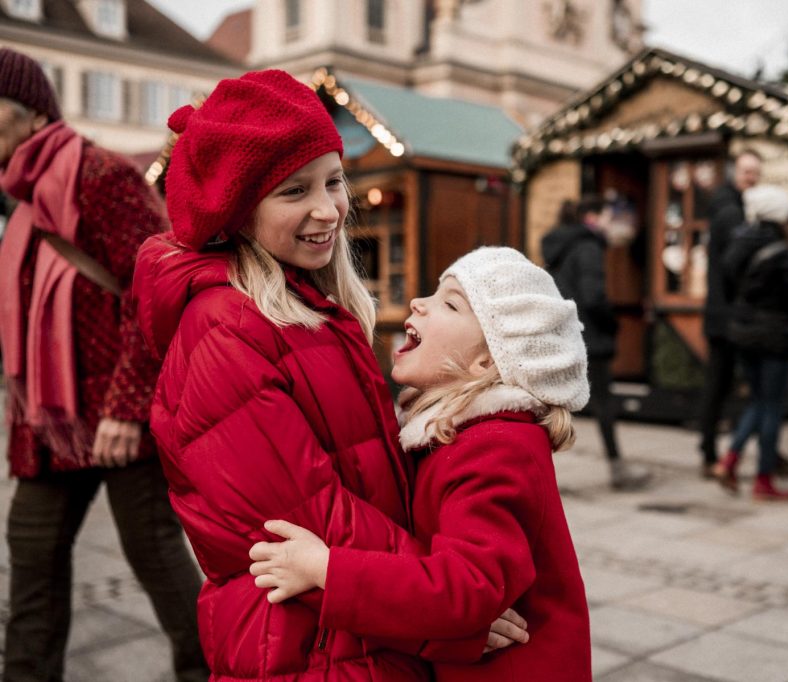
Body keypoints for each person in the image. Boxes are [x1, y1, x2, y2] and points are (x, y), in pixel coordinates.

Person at [132, 70, 519, 682]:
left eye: (334, 181)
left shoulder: (305, 307)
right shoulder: (225, 330)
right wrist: (445, 608)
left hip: (356, 630)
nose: (328, 209)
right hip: (308, 646)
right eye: (294, 190)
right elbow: (303, 517)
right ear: (238, 209)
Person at [248, 246, 592, 681]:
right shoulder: (458, 432)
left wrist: (325, 569)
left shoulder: (497, 447)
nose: (418, 303)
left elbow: (463, 589)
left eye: (451, 304)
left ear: (488, 360)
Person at [0, 48, 206, 682]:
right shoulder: (21, 195)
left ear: (33, 115)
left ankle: (212, 672)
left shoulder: (99, 174)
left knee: (155, 557)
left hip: (119, 415)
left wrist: (127, 408)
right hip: (51, 420)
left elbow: (155, 290)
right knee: (31, 554)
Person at [699, 149, 788, 481]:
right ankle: (718, 457)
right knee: (736, 391)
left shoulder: (741, 214)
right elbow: (740, 273)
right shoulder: (734, 214)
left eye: (756, 172)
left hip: (739, 317)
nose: (751, 177)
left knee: (755, 395)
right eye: (746, 171)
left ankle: (755, 458)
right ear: (734, 173)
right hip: (736, 317)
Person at [713, 186, 788, 501]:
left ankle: (729, 461)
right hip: (773, 336)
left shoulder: (738, 244)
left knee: (757, 402)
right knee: (771, 407)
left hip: (742, 332)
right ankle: (763, 480)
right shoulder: (781, 251)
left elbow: (730, 287)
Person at [541, 196, 650, 490]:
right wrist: (611, 323)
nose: (609, 223)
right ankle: (618, 470)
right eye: (607, 217)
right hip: (588, 335)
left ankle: (536, 472)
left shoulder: (556, 246)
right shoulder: (588, 246)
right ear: (591, 217)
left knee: (549, 405)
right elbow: (593, 296)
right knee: (603, 403)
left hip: (561, 333)